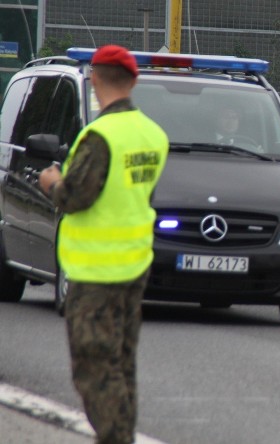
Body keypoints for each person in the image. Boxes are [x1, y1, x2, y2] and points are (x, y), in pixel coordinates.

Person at [38, 44, 168, 444]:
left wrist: (51, 182)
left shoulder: (100, 136)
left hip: (96, 271)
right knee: (121, 363)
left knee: (95, 366)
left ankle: (116, 439)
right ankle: (119, 435)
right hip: (133, 265)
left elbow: (76, 197)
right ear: (135, 81)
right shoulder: (152, 134)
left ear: (94, 79)